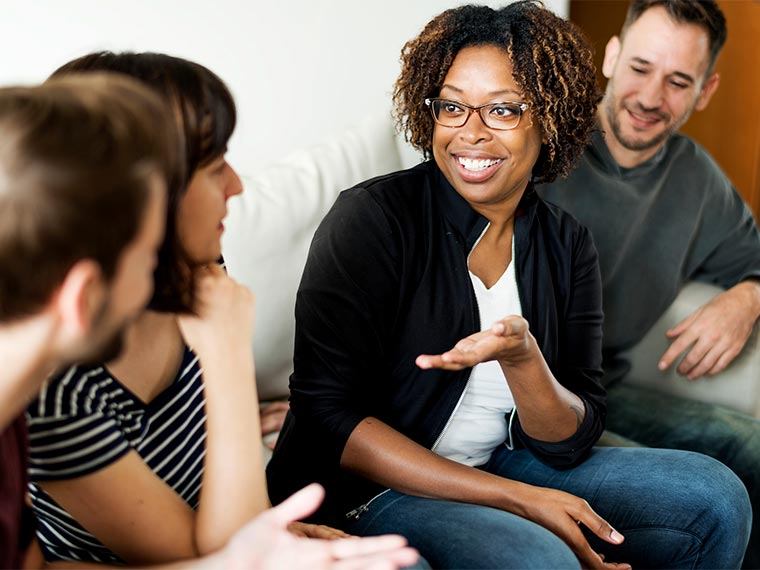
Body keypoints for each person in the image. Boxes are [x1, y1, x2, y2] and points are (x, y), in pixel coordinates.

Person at [266, 2, 753, 569]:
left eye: (502, 110)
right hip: (366, 494)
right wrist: (520, 500)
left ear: (549, 119)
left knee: (715, 497)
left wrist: (525, 361)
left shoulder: (566, 244)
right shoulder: (373, 218)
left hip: (502, 459)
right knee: (537, 556)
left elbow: (568, 438)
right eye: (452, 106)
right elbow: (329, 421)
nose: (471, 134)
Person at [19, 54, 417, 569]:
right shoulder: (59, 387)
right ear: (145, 193)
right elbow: (220, 555)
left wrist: (261, 494)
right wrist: (226, 355)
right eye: (213, 167)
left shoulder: (199, 271)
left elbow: (228, 522)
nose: (236, 185)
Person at [536, 0, 760, 566]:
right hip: (526, 406)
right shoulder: (541, 143)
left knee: (755, 448)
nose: (652, 97)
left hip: (605, 392)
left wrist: (749, 294)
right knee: (705, 492)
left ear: (704, 91)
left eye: (678, 81)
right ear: (611, 57)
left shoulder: (696, 181)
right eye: (640, 68)